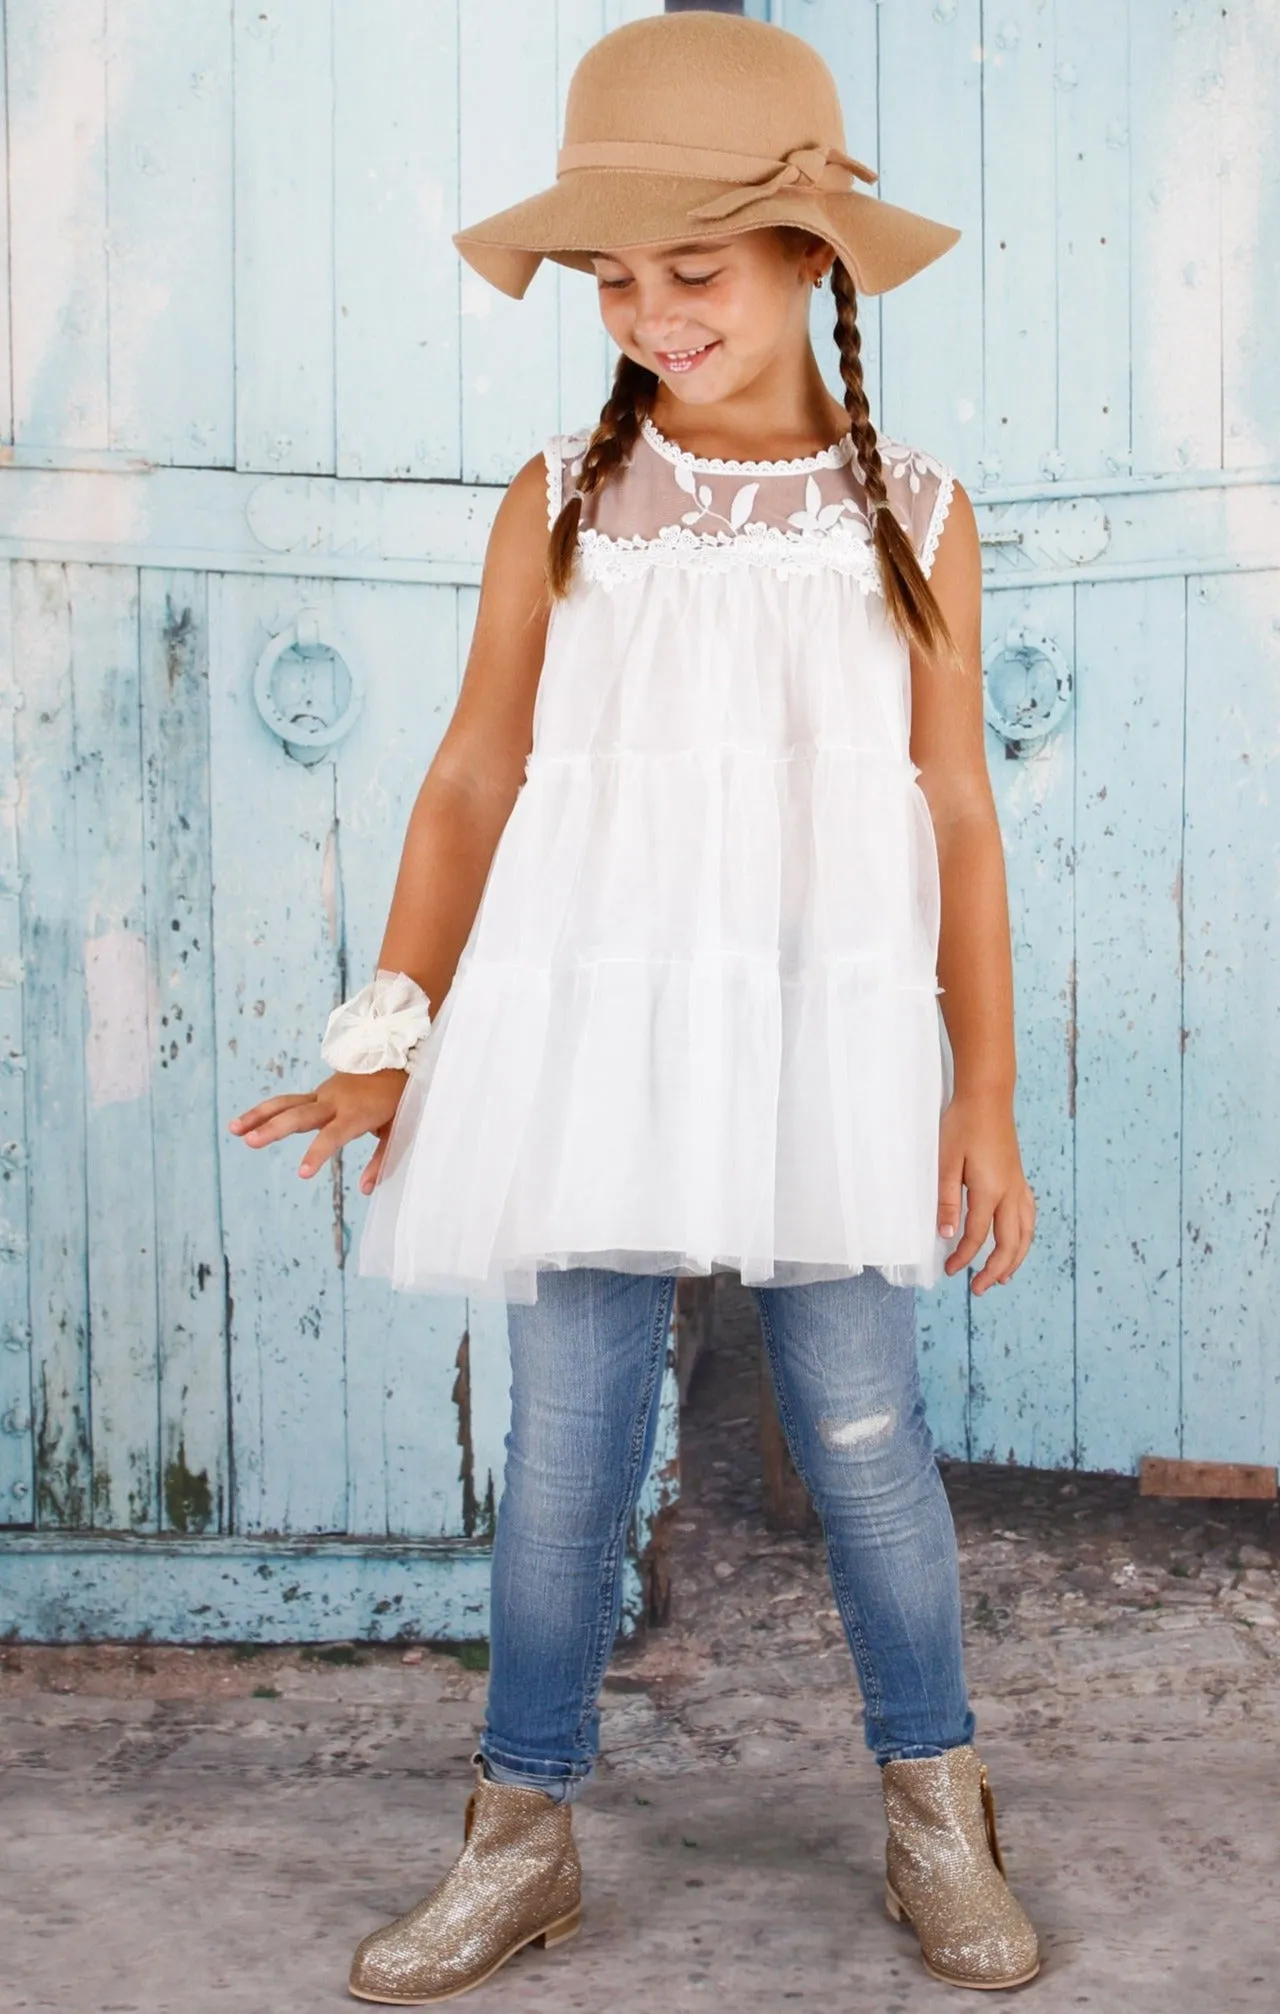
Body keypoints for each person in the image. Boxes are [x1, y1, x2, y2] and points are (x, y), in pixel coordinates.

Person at [230, 10, 1041, 2001]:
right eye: (615, 277)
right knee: (570, 1465)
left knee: (864, 1436)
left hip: (813, 1040)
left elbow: (952, 807)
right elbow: (470, 777)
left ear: (807, 262)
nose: (652, 312)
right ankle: (519, 1835)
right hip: (577, 1040)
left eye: (695, 269)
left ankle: (939, 1803)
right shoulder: (555, 500)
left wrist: (987, 1087)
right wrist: (387, 1028)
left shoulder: (915, 514)